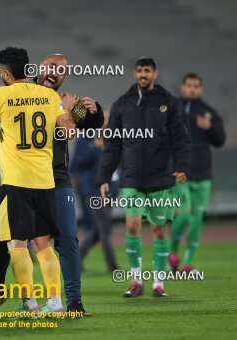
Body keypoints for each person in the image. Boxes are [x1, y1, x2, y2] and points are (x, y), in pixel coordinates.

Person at [0, 53, 102, 316]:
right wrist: (75, 111)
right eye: (51, 67)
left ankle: (60, 303)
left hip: (37, 180)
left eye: (61, 70)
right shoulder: (52, 100)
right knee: (29, 244)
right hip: (43, 181)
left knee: (44, 241)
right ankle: (42, 301)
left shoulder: (12, 94)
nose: (55, 73)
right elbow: (72, 128)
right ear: (37, 68)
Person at [99, 57, 191, 298]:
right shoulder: (122, 105)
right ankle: (136, 281)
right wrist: (104, 176)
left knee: (160, 230)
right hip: (131, 178)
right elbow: (112, 145)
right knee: (132, 224)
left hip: (161, 177)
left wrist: (182, 167)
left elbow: (181, 138)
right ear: (135, 74)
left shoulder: (168, 103)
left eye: (147, 71)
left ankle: (158, 284)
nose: (142, 74)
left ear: (155, 74)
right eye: (139, 70)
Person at [169, 73, 225, 273]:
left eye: (195, 86)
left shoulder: (208, 113)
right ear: (183, 87)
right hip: (181, 172)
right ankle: (172, 252)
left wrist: (210, 128)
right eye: (188, 85)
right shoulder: (172, 108)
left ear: (200, 89)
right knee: (183, 216)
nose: (192, 89)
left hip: (203, 174)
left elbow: (220, 140)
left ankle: (187, 264)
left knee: (196, 219)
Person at [74, 136, 119, 272]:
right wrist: (95, 148)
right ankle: (112, 266)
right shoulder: (85, 140)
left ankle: (76, 261)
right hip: (94, 191)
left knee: (97, 232)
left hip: (109, 192)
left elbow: (116, 171)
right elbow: (77, 163)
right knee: (104, 230)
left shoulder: (114, 140)